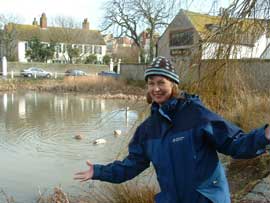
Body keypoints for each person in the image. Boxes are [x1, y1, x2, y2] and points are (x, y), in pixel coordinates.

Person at [74, 56, 270, 203]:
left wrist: (265, 134)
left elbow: (234, 144)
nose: (155, 88)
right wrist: (98, 171)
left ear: (173, 84)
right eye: (151, 83)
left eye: (161, 82)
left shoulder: (197, 114)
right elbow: (131, 166)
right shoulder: (147, 130)